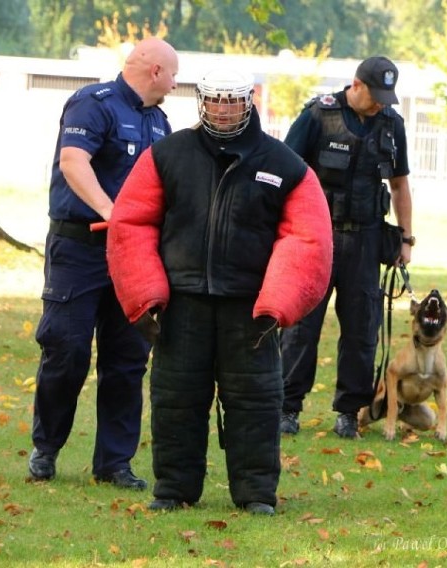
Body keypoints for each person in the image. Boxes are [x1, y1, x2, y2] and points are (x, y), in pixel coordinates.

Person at [106, 69, 333, 515]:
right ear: (201, 102)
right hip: (182, 302)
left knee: (256, 403)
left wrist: (280, 301)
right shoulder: (166, 155)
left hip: (251, 311)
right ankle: (172, 490)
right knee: (175, 399)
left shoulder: (284, 164)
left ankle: (255, 495)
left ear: (248, 103)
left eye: (232, 101)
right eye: (215, 100)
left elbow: (307, 238)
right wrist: (145, 295)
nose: (223, 109)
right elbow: (131, 224)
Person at [27, 37, 179, 488]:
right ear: (155, 71)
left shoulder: (161, 123)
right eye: (173, 74)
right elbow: (74, 163)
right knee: (66, 350)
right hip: (80, 250)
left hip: (133, 255)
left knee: (128, 360)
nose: (175, 84)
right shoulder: (93, 104)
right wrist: (111, 212)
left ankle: (114, 463)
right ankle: (46, 447)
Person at [279, 56, 414, 440]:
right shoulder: (318, 116)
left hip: (367, 240)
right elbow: (286, 172)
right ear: (356, 85)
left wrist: (405, 239)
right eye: (376, 95)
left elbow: (400, 184)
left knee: (362, 329)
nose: (380, 104)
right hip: (315, 237)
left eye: (387, 97)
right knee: (302, 327)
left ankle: (349, 410)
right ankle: (287, 407)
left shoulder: (391, 124)